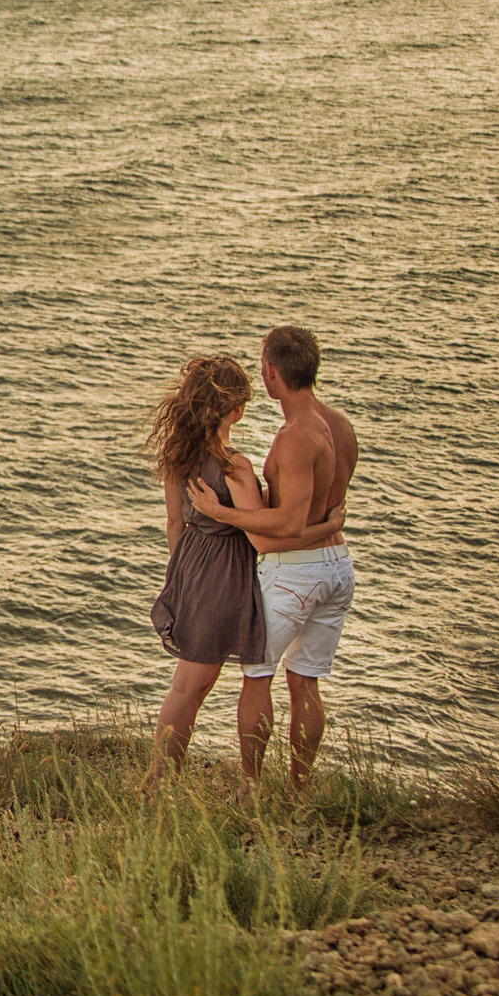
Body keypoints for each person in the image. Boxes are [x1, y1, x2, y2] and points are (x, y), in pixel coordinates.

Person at [186, 325, 358, 791]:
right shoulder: (341, 426)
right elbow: (324, 510)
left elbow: (287, 526)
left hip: (293, 574)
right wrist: (329, 526)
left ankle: (251, 788)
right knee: (306, 683)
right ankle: (300, 789)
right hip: (336, 567)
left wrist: (218, 510)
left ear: (270, 373)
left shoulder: (295, 437)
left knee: (257, 677)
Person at [141, 354, 275, 784]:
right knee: (193, 684)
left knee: (189, 684)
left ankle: (160, 780)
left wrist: (180, 578)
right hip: (224, 571)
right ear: (234, 410)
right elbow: (259, 536)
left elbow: (174, 522)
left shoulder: (178, 453)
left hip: (190, 564)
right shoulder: (235, 465)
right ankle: (159, 782)